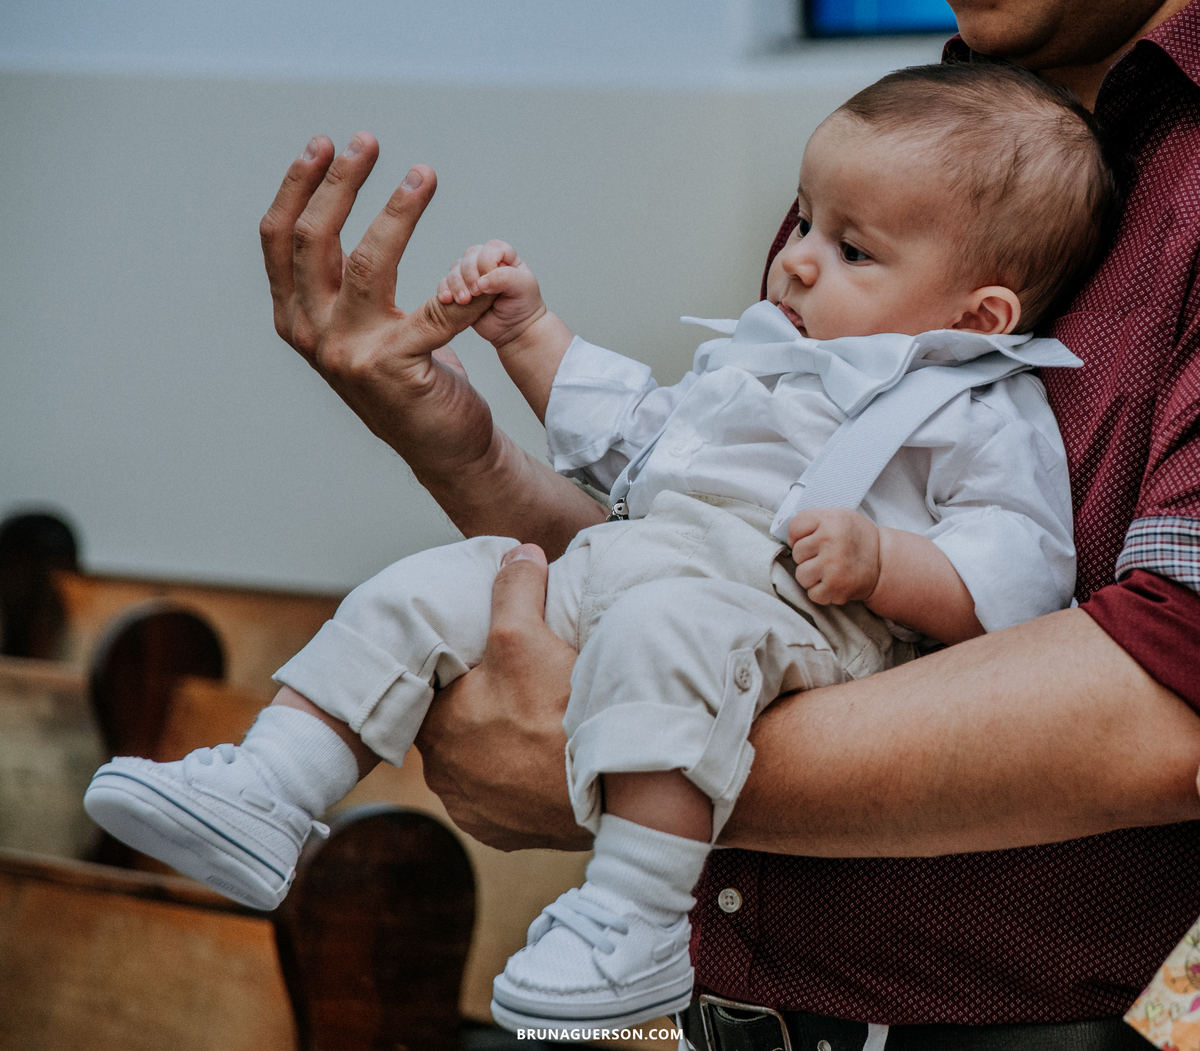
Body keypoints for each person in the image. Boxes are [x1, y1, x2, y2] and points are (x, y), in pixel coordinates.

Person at [245, 0, 1200, 1045]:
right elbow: (715, 561)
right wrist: (455, 435)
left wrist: (603, 753)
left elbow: (1177, 695)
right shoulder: (916, 147)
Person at [85, 63, 1111, 1035]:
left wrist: (886, 563)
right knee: (435, 587)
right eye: (807, 217)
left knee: (669, 638)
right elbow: (637, 439)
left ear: (980, 315)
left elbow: (1015, 577)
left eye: (853, 250)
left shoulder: (981, 408)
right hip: (645, 557)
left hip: (805, 616)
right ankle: (272, 786)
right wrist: (527, 331)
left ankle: (632, 918)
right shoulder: (767, 357)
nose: (797, 256)